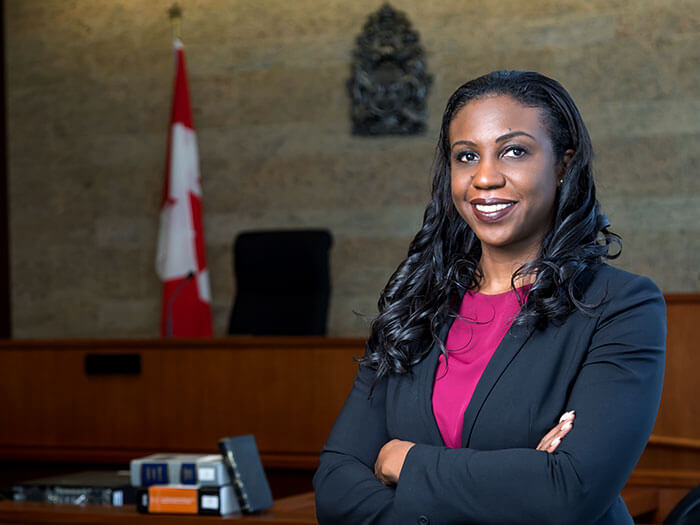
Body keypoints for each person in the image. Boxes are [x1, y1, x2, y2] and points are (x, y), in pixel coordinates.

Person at [313, 71, 666, 524]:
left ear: (562, 164)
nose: (484, 178)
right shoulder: (415, 307)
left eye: (514, 151)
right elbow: (336, 487)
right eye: (466, 156)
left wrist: (405, 461)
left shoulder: (619, 305)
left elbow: (567, 491)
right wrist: (515, 480)